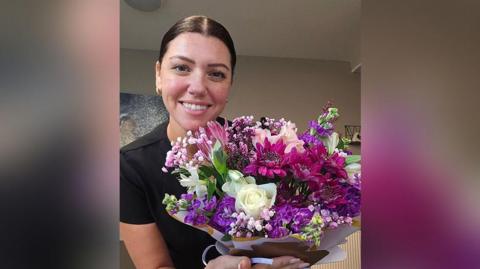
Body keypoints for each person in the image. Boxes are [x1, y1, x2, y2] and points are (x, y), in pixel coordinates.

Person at [120, 15, 310, 269]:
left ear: (230, 84)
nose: (197, 87)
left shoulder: (259, 147)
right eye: (182, 68)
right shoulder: (130, 166)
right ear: (158, 75)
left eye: (216, 73)